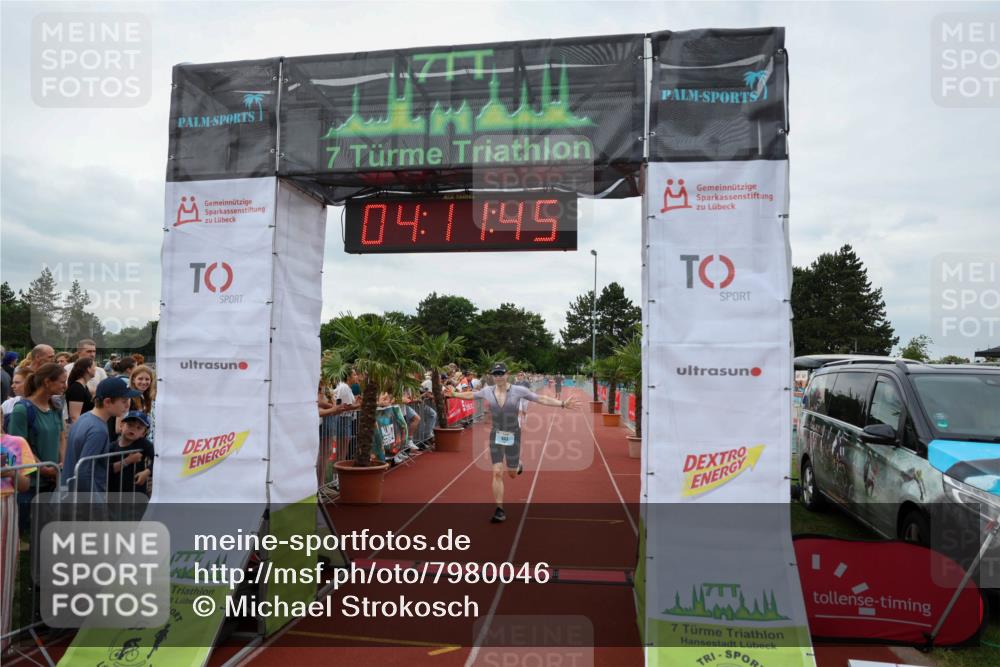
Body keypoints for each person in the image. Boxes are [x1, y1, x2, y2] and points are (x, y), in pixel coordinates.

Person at [448, 362, 579, 523]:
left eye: (501, 373)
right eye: (495, 374)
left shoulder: (519, 390)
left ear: (507, 374)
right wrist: (454, 394)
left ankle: (517, 465)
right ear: (492, 376)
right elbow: (471, 395)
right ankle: (499, 509)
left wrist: (562, 404)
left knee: (512, 474)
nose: (498, 377)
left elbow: (540, 398)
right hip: (496, 434)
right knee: (497, 471)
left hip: (513, 434)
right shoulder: (488, 391)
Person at [63, 378, 138, 494]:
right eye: (124, 401)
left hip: (69, 491)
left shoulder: (84, 418)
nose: (128, 405)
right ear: (107, 402)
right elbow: (84, 472)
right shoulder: (98, 430)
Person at [1, 416, 36, 650]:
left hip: (5, 506)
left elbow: (24, 485)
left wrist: (10, 472)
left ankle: (3, 639)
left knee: (4, 572)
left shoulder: (16, 443)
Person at [108, 411, 153, 496]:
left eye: (139, 428)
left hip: (136, 494)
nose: (133, 429)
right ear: (121, 426)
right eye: (130, 425)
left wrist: (147, 472)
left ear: (143, 433)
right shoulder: (111, 447)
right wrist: (128, 460)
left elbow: (157, 458)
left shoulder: (143, 443)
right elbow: (106, 468)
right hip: (114, 494)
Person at [128, 365, 156, 442]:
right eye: (140, 379)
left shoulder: (147, 397)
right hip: (130, 441)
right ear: (133, 380)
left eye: (147, 379)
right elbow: (118, 428)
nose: (144, 382)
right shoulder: (128, 398)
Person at [65, 358, 96, 423]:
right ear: (88, 369)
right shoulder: (77, 388)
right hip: (81, 426)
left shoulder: (83, 386)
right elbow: (74, 417)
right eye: (94, 367)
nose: (95, 369)